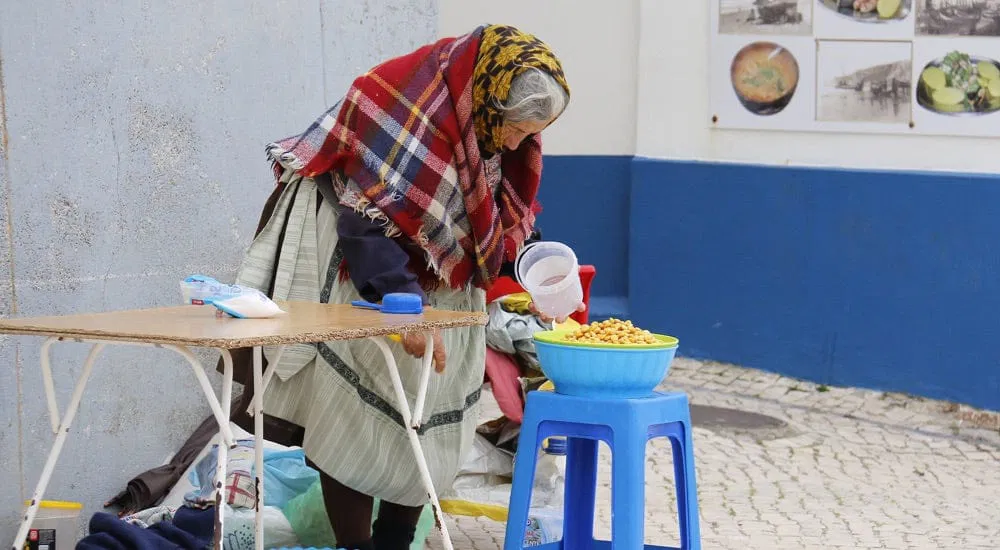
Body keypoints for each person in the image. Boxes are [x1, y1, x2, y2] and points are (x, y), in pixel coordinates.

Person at [237, 23, 579, 550]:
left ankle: (396, 539)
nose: (516, 142)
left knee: (434, 407)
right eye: (514, 129)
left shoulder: (487, 121)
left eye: (529, 132)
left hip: (436, 265)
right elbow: (363, 216)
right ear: (490, 102)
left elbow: (493, 211)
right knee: (358, 406)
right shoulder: (400, 102)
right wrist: (405, 308)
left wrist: (525, 262)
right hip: (360, 252)